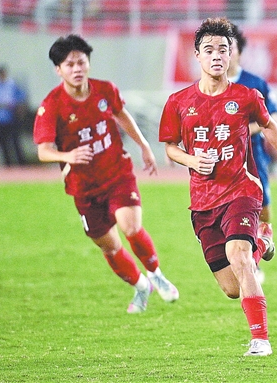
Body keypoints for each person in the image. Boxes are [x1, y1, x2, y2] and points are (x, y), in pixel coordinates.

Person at [158, 18, 277, 357]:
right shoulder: (178, 101)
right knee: (232, 288)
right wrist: (193, 161)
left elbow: (269, 125)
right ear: (197, 55)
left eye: (223, 49)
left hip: (241, 191)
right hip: (202, 202)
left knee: (239, 255)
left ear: (232, 53)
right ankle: (262, 240)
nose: (217, 56)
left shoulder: (247, 96)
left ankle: (260, 340)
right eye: (209, 50)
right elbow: (170, 148)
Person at [33, 35, 179, 314]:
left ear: (88, 63)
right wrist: (67, 156)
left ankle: (156, 274)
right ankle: (141, 286)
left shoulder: (104, 90)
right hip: (84, 188)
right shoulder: (51, 105)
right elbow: (43, 151)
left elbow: (122, 115)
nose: (77, 69)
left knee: (130, 227)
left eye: (81, 62)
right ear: (58, 70)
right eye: (70, 64)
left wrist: (144, 145)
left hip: (117, 174)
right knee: (109, 247)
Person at [227, 23, 277, 282]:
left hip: (253, 157)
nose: (224, 54)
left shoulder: (255, 83)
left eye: (229, 48)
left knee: (262, 208)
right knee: (228, 214)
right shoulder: (205, 87)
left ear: (238, 51)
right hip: (221, 161)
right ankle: (246, 263)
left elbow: (272, 117)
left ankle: (260, 248)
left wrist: (244, 130)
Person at [0, 65, 27, 166]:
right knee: (3, 143)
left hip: (11, 117)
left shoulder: (12, 85)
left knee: (15, 141)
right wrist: (4, 105)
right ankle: (8, 164)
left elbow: (21, 99)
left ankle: (21, 163)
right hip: (0, 118)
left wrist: (17, 109)